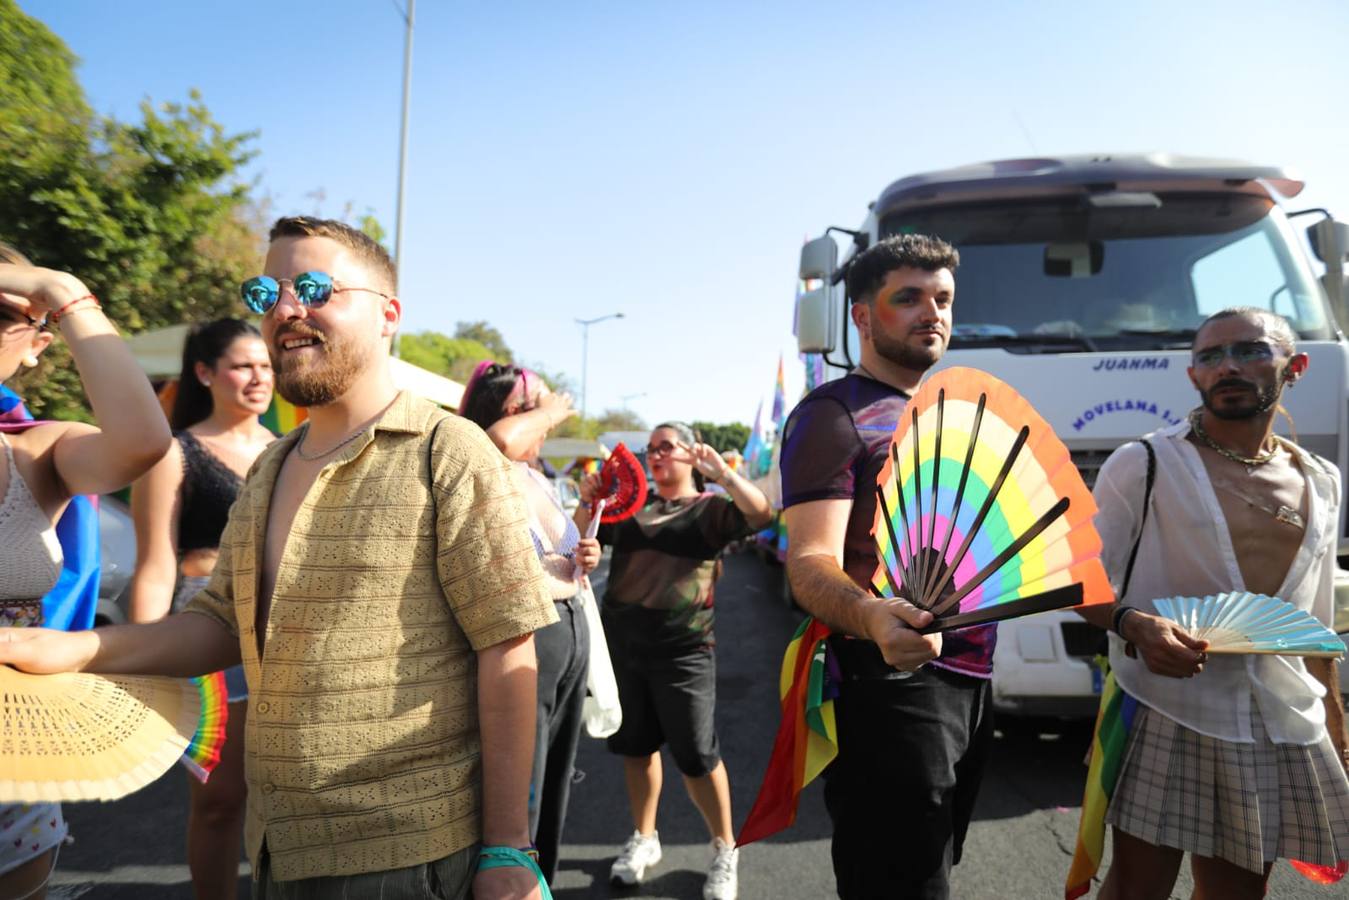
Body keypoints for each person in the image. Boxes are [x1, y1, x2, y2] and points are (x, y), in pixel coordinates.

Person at [0, 217, 557, 900]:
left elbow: (507, 648)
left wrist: (509, 847)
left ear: (388, 315)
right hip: (278, 848)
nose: (287, 309)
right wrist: (73, 648)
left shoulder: (448, 448)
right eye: (266, 294)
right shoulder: (271, 466)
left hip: (408, 849)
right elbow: (219, 624)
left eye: (316, 288)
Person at [1083, 307, 1349, 899]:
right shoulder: (1144, 463)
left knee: (1238, 894)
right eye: (1210, 356)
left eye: (1250, 351)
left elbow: (1313, 621)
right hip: (1167, 705)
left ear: (1295, 367)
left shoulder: (1322, 479)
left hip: (1278, 716)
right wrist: (1133, 624)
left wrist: (1336, 722)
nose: (1228, 366)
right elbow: (1076, 580)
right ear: (1193, 376)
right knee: (1136, 890)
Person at [779, 233, 995, 899]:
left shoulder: (949, 413)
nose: (932, 312)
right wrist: (872, 616)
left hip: (972, 677)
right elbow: (809, 562)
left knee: (934, 863)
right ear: (862, 317)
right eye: (909, 298)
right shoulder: (834, 414)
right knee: (902, 882)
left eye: (943, 299)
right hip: (890, 684)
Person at [0, 243, 171, 899]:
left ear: (38, 344)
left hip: (13, 771)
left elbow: (141, 442)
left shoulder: (38, 452)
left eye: (0, 313)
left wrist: (62, 289)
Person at [575, 421, 773, 900]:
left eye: (666, 446)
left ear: (690, 453)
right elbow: (579, 541)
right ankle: (644, 837)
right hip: (624, 649)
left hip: (685, 651)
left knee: (697, 757)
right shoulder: (630, 508)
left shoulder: (709, 510)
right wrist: (587, 504)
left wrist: (724, 474)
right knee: (636, 748)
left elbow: (762, 514)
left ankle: (725, 848)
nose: (656, 454)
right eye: (651, 448)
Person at [128, 318, 275, 899]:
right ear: (205, 373)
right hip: (207, 629)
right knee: (219, 801)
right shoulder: (174, 452)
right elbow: (155, 565)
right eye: (243, 366)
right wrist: (144, 656)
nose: (259, 378)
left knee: (292, 793)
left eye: (265, 366)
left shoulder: (292, 450)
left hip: (286, 632)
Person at [458, 361, 602, 885]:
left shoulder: (536, 475)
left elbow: (559, 553)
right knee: (525, 779)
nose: (546, 421)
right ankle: (514, 883)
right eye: (533, 406)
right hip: (530, 631)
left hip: (570, 623)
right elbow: (497, 440)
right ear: (509, 412)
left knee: (557, 771)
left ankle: (541, 884)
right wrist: (553, 408)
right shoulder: (484, 459)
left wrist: (586, 545)